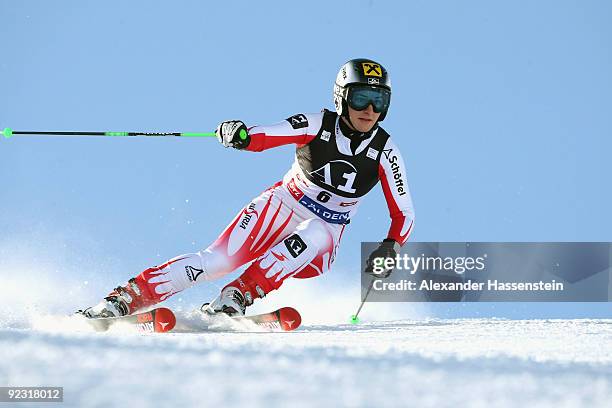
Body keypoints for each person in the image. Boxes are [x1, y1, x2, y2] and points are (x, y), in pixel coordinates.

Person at [82, 58, 415, 318]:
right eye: (360, 98)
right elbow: (270, 134)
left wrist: (390, 247)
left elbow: (404, 213)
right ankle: (125, 298)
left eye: (378, 100)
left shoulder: (386, 151)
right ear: (342, 98)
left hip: (325, 232)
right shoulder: (317, 123)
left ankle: (237, 296)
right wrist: (241, 135)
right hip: (282, 204)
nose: (369, 110)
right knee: (216, 262)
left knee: (315, 232)